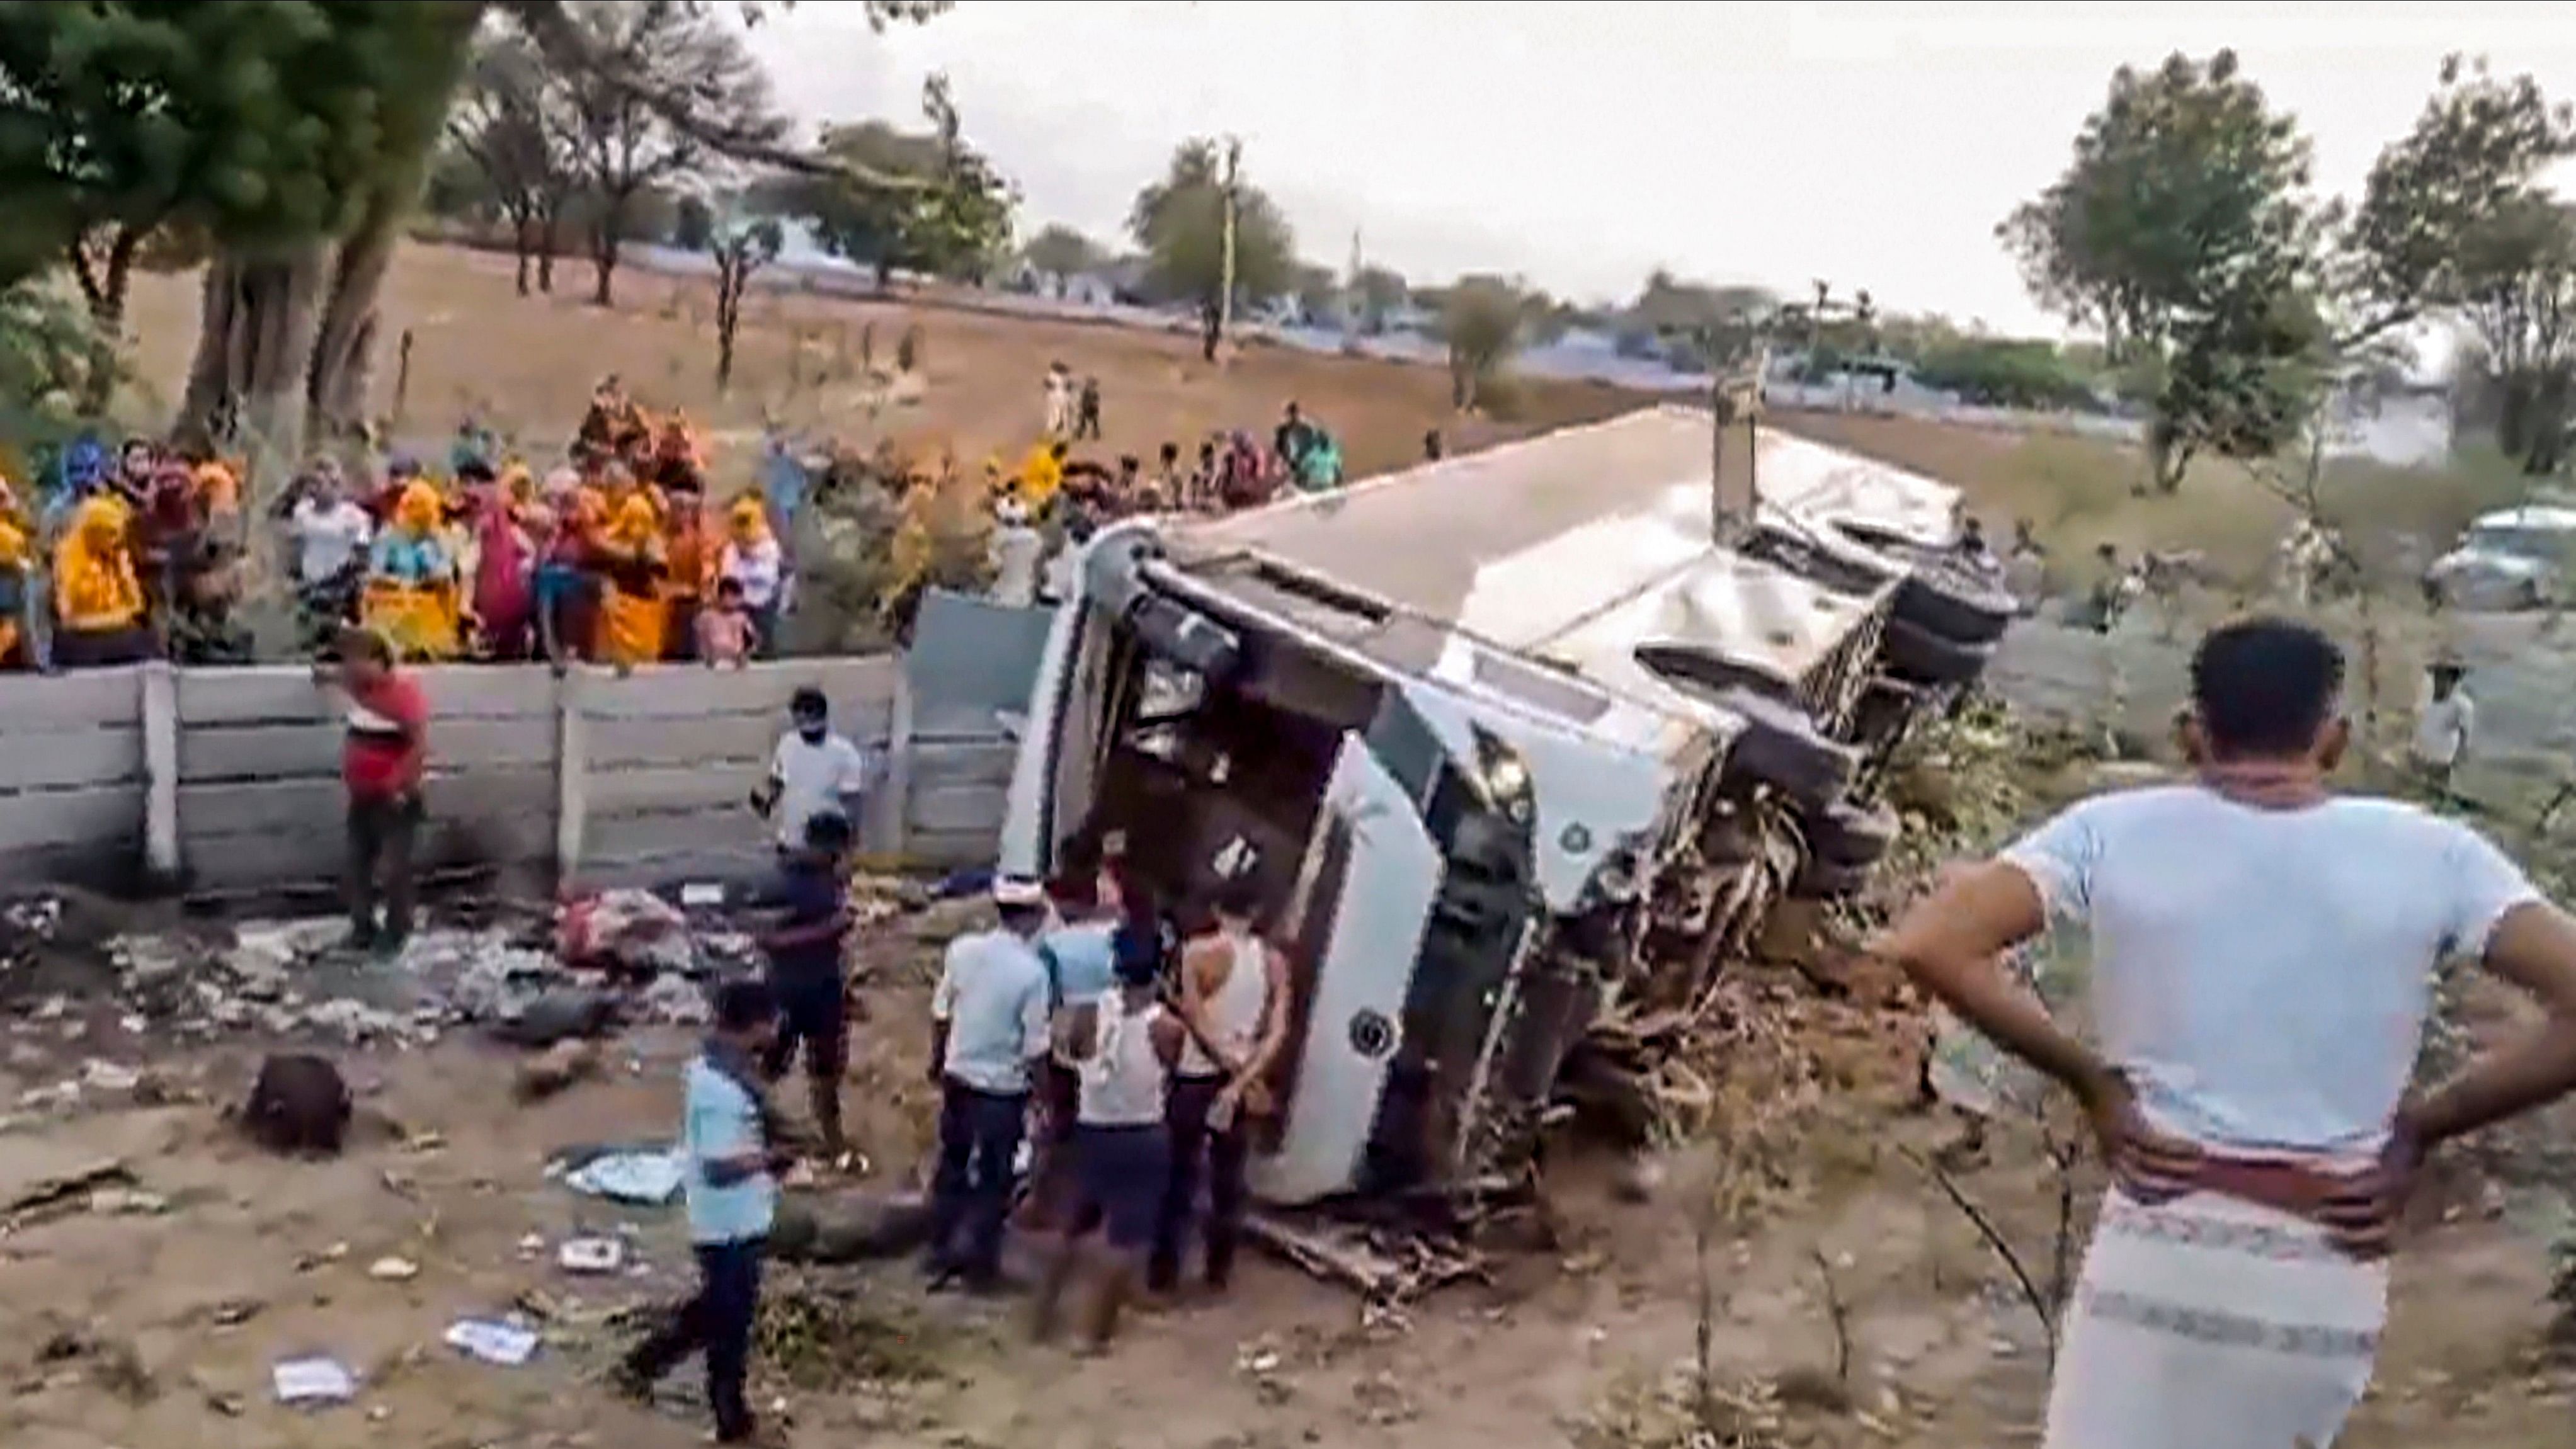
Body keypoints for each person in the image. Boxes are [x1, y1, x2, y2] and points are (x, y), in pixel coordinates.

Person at [1874, 617, 2576, 1449]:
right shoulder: (2435, 855)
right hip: (2324, 1259)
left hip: (2160, 1234)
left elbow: (1929, 942)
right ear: (2335, 738)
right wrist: (2419, 1129)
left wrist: (2092, 1084)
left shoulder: (2109, 830)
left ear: (2189, 733)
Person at [618, 977, 789, 1445]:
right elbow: (718, 1164)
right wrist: (769, 1160)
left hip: (734, 1215)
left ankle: (647, 1362)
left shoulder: (713, 1068)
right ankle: (730, 1417)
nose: (778, 1029)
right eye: (773, 1020)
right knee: (730, 1325)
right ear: (755, 1025)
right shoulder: (721, 1088)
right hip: (728, 1221)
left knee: (718, 1307)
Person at [1032, 926, 1185, 1351]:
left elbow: (1075, 1056)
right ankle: (1092, 1332)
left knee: (1073, 1228)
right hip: (1142, 1131)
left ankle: (1042, 1318)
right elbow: (1170, 1071)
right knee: (1126, 1238)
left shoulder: (1089, 1013)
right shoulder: (1166, 1026)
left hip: (1093, 1128)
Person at [1151, 877, 1291, 1296]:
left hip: (1196, 1075)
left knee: (1180, 1173)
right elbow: (1278, 1030)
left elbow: (1194, 1015)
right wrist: (1243, 1077)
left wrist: (1224, 1064)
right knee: (1228, 1178)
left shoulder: (1198, 953)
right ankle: (1218, 1270)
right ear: (1257, 914)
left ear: (1216, 910)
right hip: (1243, 1080)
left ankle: (1164, 1271)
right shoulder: (1272, 961)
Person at [925, 877, 1054, 1292]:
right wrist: (1045, 1093)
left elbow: (941, 1012)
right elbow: (1036, 1045)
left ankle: (940, 1249)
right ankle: (980, 1266)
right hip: (1002, 1086)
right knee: (995, 1176)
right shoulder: (1033, 973)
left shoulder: (962, 951)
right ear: (1034, 917)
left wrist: (938, 1059)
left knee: (953, 1163)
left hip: (959, 1075)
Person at [316, 627, 428, 959]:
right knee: (357, 866)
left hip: (394, 799)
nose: (350, 667)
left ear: (378, 661)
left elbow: (419, 745)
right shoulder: (359, 689)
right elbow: (325, 673)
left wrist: (398, 784)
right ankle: (362, 928)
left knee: (395, 869)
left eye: (357, 660)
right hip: (362, 797)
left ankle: (397, 932)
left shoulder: (403, 694)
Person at [758, 810, 856, 1161]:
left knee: (827, 1070)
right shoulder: (782, 882)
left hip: (826, 988)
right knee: (770, 1064)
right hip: (788, 988)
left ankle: (832, 1141)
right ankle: (754, 1130)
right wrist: (828, 931)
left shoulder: (832, 880)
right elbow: (768, 938)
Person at [752, 686, 871, 854]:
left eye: (809, 714)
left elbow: (853, 801)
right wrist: (766, 801)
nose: (805, 721)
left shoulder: (844, 753)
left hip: (827, 847)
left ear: (822, 716)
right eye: (799, 716)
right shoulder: (787, 744)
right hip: (790, 844)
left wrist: (851, 842)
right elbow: (777, 782)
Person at [50, 492, 154, 668]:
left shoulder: (118, 557)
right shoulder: (68, 560)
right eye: (110, 534)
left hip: (117, 634)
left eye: (117, 534)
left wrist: (123, 570)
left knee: (145, 641)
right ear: (94, 533)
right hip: (82, 638)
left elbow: (137, 606)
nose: (116, 541)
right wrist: (117, 617)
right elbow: (68, 616)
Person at [719, 496, 784, 658]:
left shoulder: (770, 547)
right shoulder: (732, 549)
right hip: (740, 605)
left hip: (763, 604)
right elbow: (728, 574)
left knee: (764, 639)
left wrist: (751, 560)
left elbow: (769, 576)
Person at [2410, 659, 2474, 804]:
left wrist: (2455, 763)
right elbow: (2420, 728)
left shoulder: (2461, 705)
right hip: (2421, 761)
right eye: (2438, 676)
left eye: (2444, 677)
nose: (2439, 682)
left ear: (2453, 680)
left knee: (2438, 799)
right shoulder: (2427, 702)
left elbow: (2465, 739)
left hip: (2442, 766)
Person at [988, 496, 1044, 610]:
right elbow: (1041, 572)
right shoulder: (1038, 540)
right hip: (1025, 598)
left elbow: (994, 566)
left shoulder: (998, 537)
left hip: (1001, 596)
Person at [697, 575, 758, 668]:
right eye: (729, 595)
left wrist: (745, 655)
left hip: (738, 662)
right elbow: (701, 642)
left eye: (736, 596)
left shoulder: (742, 618)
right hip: (713, 663)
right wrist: (707, 658)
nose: (732, 600)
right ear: (721, 595)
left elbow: (753, 641)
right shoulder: (706, 617)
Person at [1074, 375, 1103, 440]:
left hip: (1091, 409)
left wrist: (1096, 406)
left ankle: (1094, 435)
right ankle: (1080, 435)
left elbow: (1096, 401)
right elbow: (1082, 400)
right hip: (1086, 408)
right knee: (1084, 423)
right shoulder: (1086, 392)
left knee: (1093, 423)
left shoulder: (1092, 392)